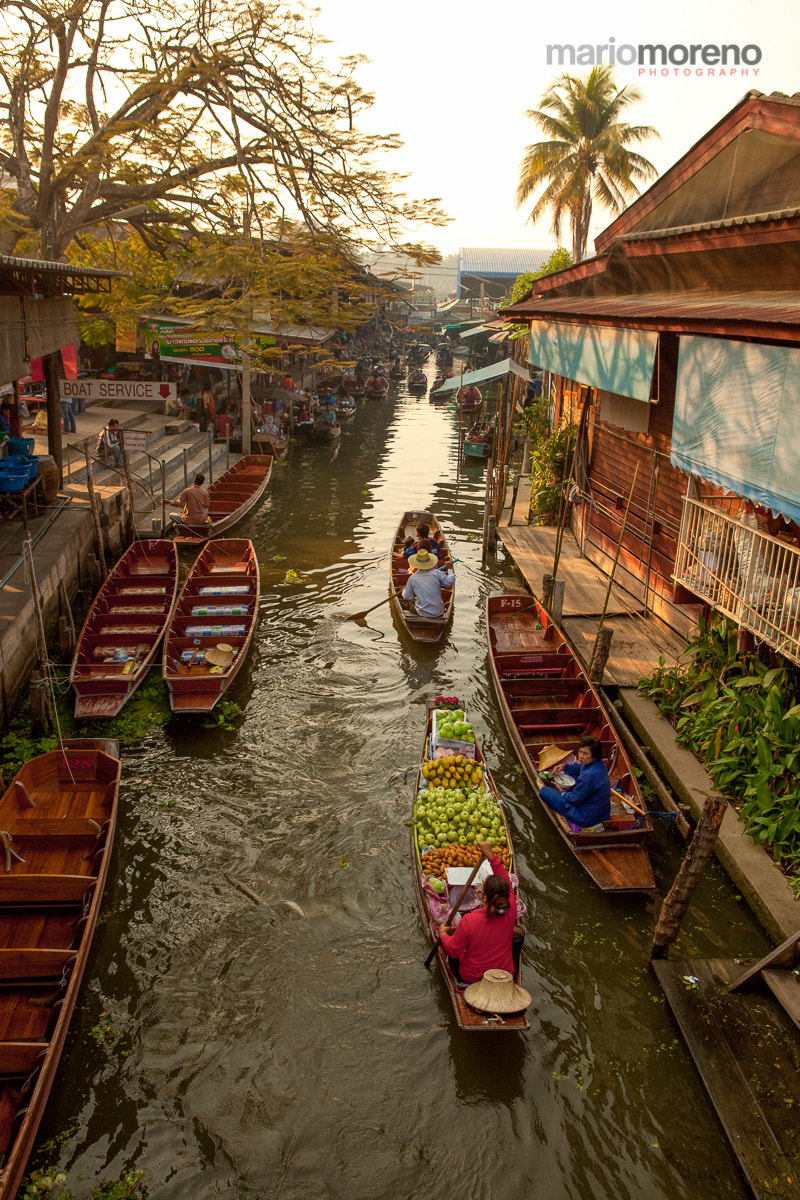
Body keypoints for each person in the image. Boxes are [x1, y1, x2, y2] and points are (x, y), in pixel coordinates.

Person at [437, 841, 522, 985]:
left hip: (472, 976)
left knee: (447, 942)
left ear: (484, 898)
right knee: (517, 933)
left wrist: (442, 934)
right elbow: (506, 881)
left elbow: (453, 950)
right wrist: (491, 856)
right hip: (504, 973)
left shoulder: (469, 920)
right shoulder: (510, 910)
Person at [539, 736, 611, 832]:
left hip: (586, 818)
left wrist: (562, 792)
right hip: (601, 813)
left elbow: (574, 799)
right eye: (580, 752)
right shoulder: (599, 764)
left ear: (594, 755)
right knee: (572, 774)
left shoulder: (588, 775)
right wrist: (564, 766)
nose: (581, 756)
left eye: (585, 753)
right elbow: (580, 767)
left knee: (545, 791)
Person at [402, 540, 455, 617]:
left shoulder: (413, 578)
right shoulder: (437, 573)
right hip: (438, 612)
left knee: (410, 602)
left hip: (422, 613)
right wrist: (449, 569)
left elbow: (407, 597)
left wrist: (403, 590)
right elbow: (450, 581)